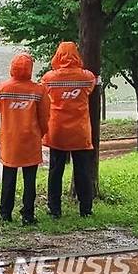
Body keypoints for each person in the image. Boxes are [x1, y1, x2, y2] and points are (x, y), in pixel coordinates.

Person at [0, 53, 49, 225]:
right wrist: (41, 133)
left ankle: (5, 213)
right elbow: (44, 117)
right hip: (30, 141)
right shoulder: (39, 90)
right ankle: (28, 215)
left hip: (10, 142)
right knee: (30, 181)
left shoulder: (2, 89)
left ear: (12, 67)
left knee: (8, 178)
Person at [42, 41, 97, 218]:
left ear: (58, 55)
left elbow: (43, 94)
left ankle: (54, 209)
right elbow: (91, 87)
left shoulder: (49, 78)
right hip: (80, 132)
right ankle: (86, 209)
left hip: (57, 131)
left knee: (55, 171)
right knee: (82, 171)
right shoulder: (87, 77)